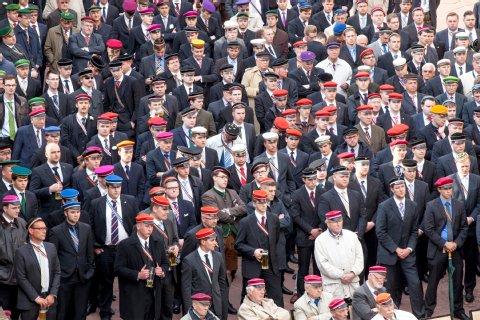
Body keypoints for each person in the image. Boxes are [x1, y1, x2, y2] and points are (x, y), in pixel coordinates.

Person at [89, 175, 138, 320]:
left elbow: (136, 224)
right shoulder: (96, 203)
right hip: (106, 249)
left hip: (126, 248)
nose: (116, 190)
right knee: (106, 282)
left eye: (118, 187)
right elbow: (90, 226)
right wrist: (94, 247)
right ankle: (105, 312)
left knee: (128, 282)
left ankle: (128, 311)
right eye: (113, 187)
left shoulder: (130, 201)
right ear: (107, 187)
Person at [375, 177, 425, 318]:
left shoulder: (412, 205)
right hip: (389, 254)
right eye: (397, 187)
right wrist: (396, 249)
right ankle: (392, 315)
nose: (401, 189)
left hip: (408, 253)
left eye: (402, 186)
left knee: (415, 284)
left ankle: (419, 315)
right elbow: (380, 232)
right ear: (391, 189)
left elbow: (414, 231)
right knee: (392, 287)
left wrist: (409, 249)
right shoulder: (384, 206)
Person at [423, 177, 469, 320]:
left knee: (457, 280)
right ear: (439, 190)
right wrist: (444, 243)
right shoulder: (431, 205)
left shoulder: (459, 205)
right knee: (433, 281)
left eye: (450, 188)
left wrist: (456, 243)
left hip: (455, 248)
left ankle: (458, 309)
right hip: (438, 249)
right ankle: (428, 309)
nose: (449, 191)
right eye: (446, 189)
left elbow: (464, 227)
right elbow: (429, 229)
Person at [114, 213, 169, 320]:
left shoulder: (158, 242)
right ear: (138, 226)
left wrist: (162, 270)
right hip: (135, 294)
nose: (150, 229)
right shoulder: (125, 245)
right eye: (146, 226)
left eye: (151, 226)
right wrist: (137, 275)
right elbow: (118, 268)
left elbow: (165, 263)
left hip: (153, 292)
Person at [235, 190, 283, 307]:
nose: (263, 205)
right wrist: (253, 251)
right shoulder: (246, 222)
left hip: (270, 263)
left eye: (265, 202)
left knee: (276, 296)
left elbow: (275, 240)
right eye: (260, 202)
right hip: (252, 264)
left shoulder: (273, 219)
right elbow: (238, 244)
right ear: (254, 204)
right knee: (249, 298)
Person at [48, 200, 95, 320]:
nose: (76, 214)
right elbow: (53, 256)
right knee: (63, 311)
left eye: (78, 212)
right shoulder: (56, 231)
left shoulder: (86, 228)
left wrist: (89, 272)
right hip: (64, 278)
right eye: (72, 212)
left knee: (80, 312)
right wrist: (59, 275)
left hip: (82, 277)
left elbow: (90, 253)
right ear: (65, 213)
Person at [14, 217, 61, 320]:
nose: (44, 231)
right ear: (31, 230)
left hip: (49, 300)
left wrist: (53, 294)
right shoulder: (21, 252)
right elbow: (21, 278)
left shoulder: (51, 247)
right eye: (40, 228)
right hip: (29, 302)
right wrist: (36, 298)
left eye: (45, 228)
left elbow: (57, 272)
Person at [290, 168, 325, 296]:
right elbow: (296, 216)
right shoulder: (297, 194)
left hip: (320, 237)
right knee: (303, 268)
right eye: (310, 179)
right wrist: (310, 230)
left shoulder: (322, 192)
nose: (313, 182)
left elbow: (325, 213)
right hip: (304, 237)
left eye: (314, 179)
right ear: (304, 179)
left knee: (319, 268)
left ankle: (319, 294)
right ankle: (300, 295)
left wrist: (319, 230)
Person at [314, 210, 364, 299]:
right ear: (327, 223)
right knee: (336, 311)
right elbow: (323, 264)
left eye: (340, 221)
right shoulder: (320, 240)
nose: (338, 224)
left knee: (355, 311)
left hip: (353, 284)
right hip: (334, 287)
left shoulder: (352, 236)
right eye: (334, 222)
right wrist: (342, 275)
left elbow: (360, 258)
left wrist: (353, 273)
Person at [181, 227, 228, 319]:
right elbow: (186, 287)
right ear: (203, 242)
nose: (215, 243)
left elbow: (222, 281)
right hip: (199, 306)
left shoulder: (218, 256)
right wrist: (188, 311)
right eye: (212, 240)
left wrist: (224, 303)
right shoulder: (189, 260)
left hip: (217, 303)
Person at [0, 195, 27, 320]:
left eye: (19, 207)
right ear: (5, 209)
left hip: (19, 275)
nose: (17, 210)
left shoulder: (21, 223)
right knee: (5, 311)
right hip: (3, 276)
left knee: (16, 309)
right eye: (14, 208)